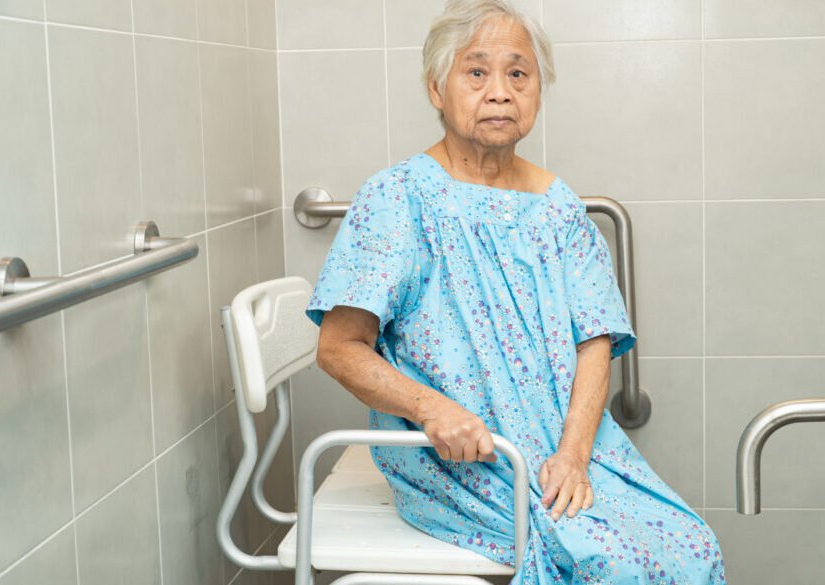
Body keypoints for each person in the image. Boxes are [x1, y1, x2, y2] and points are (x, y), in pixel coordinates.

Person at [306, 1, 726, 582]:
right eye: (476, 72)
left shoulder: (559, 207)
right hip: (460, 456)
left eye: (518, 74)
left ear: (537, 92)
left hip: (569, 447)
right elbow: (338, 348)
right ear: (436, 88)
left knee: (691, 545)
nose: (500, 92)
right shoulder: (396, 199)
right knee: (608, 563)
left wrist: (574, 455)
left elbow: (595, 341)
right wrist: (434, 410)